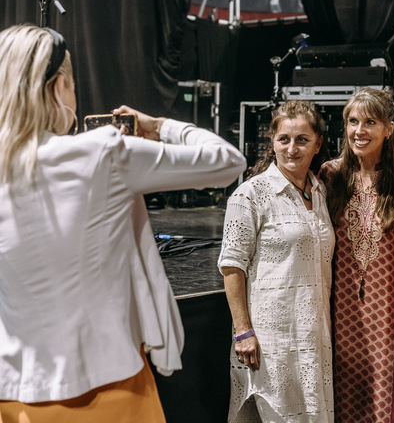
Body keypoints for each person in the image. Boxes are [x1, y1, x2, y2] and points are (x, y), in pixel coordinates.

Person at [0, 24, 246, 422]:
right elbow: (228, 161)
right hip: (108, 386)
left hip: (14, 394)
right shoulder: (100, 153)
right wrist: (160, 126)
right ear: (58, 87)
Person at [218, 100, 335, 423]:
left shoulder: (321, 192)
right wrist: (243, 332)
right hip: (271, 338)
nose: (292, 148)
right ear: (273, 142)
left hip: (314, 334)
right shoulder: (250, 194)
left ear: (317, 144)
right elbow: (232, 266)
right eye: (284, 139)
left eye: (302, 140)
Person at [319, 88, 394, 423]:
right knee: (343, 393)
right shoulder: (330, 174)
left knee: (385, 397)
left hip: (391, 313)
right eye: (353, 121)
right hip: (340, 310)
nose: (359, 131)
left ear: (388, 129)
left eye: (370, 122)